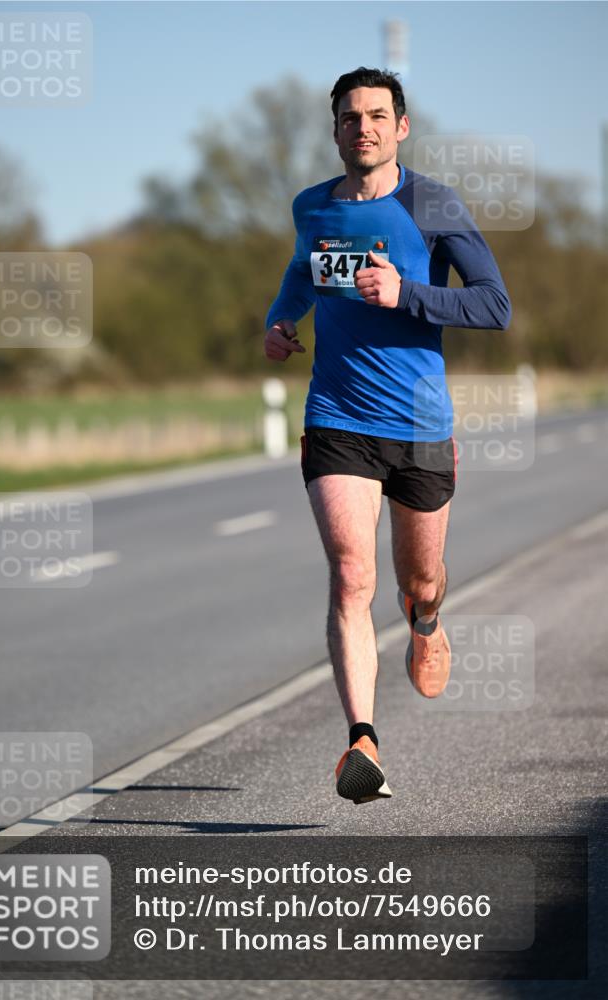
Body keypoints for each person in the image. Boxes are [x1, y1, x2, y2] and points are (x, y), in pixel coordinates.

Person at [264, 67, 511, 805]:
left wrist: (407, 294)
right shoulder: (313, 206)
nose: (362, 128)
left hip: (420, 426)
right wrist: (282, 320)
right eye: (350, 117)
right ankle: (362, 742)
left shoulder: (431, 203)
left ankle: (426, 620)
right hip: (337, 416)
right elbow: (303, 271)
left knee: (418, 580)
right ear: (335, 131)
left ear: (400, 127)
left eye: (377, 116)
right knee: (351, 576)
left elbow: (493, 305)